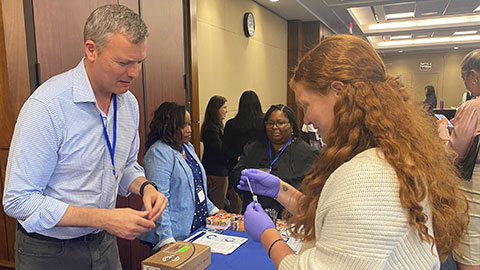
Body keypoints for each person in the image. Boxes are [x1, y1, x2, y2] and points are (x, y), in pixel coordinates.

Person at [238, 34, 468, 269]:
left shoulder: (368, 176)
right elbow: (340, 219)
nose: (305, 118)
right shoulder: (384, 155)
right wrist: (281, 190)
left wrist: (268, 235)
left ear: (338, 91)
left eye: (306, 105)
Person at [2, 4, 167, 269]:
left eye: (139, 62)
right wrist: (104, 218)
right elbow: (19, 201)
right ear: (91, 49)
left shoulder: (128, 104)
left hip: (103, 245)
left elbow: (123, 166)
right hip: (49, 251)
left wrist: (145, 187)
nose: (134, 73)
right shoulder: (48, 106)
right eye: (124, 62)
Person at [139, 102, 219, 252]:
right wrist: (166, 239)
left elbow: (197, 187)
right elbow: (159, 200)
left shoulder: (187, 147)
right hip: (173, 234)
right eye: (183, 126)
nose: (189, 130)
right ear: (169, 126)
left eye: (189, 124)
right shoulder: (159, 153)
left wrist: (214, 210)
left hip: (197, 228)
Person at [232, 104, 317, 215]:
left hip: (289, 217)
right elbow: (236, 176)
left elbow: (310, 192)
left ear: (291, 125)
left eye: (280, 123)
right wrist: (246, 178)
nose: (274, 127)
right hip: (255, 214)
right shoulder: (252, 148)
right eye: (270, 123)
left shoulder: (307, 153)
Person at [438, 49, 480, 269]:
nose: (465, 84)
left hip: (474, 189)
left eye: (464, 78)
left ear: (474, 75)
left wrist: (443, 130)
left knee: (471, 251)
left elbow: (453, 154)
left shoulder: (472, 107)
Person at [223, 90, 264, 213]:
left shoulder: (231, 124)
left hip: (237, 169)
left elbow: (225, 149)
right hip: (260, 167)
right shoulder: (263, 123)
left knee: (240, 201)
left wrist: (237, 157)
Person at [201, 95, 229, 210]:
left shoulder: (212, 126)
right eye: (224, 107)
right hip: (217, 172)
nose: (226, 111)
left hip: (213, 170)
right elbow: (220, 150)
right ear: (216, 109)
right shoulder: (212, 128)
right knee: (218, 206)